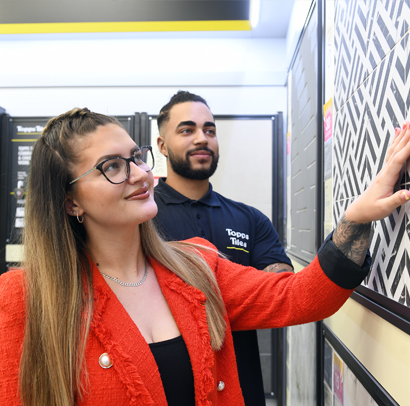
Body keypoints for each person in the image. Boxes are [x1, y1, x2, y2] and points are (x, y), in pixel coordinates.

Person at [0, 108, 408, 406]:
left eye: (137, 157)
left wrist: (355, 218)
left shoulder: (195, 265)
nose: (142, 174)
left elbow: (302, 296)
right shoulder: (24, 298)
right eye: (112, 167)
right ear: (71, 202)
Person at [153, 91, 293, 405]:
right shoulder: (141, 219)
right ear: (162, 146)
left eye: (210, 130)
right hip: (166, 388)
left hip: (242, 388)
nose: (202, 138)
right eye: (187, 130)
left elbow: (279, 291)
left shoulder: (249, 219)